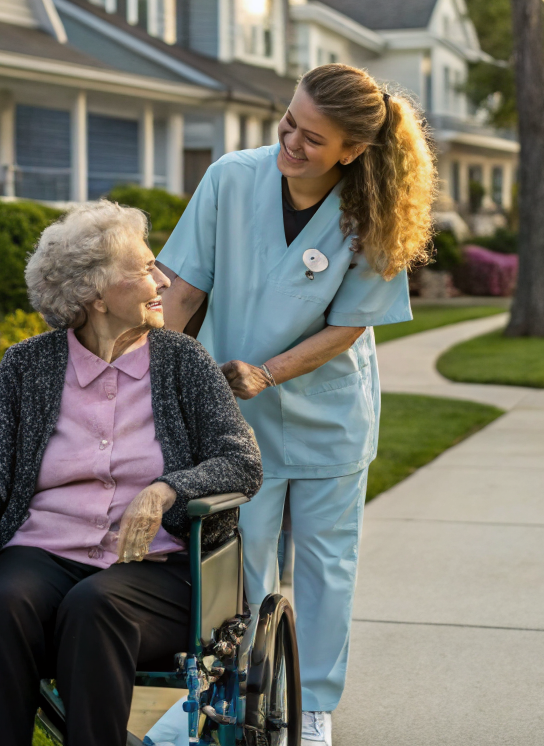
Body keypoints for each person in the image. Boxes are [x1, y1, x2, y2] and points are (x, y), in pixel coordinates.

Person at [150, 63, 437, 746]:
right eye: (287, 122)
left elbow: (350, 324)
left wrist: (269, 372)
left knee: (323, 567)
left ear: (351, 150)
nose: (289, 142)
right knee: (234, 563)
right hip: (233, 421)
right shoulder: (230, 178)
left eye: (311, 138)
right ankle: (215, 696)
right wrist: (150, 376)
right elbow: (183, 290)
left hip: (326, 419)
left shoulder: (372, 210)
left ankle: (309, 704)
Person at [0, 200, 263, 746]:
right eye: (144, 269)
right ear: (95, 296)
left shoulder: (184, 361)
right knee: (1, 602)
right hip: (45, 554)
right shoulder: (26, 367)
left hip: (160, 567)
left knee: (95, 606)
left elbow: (241, 461)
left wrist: (167, 488)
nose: (162, 280)